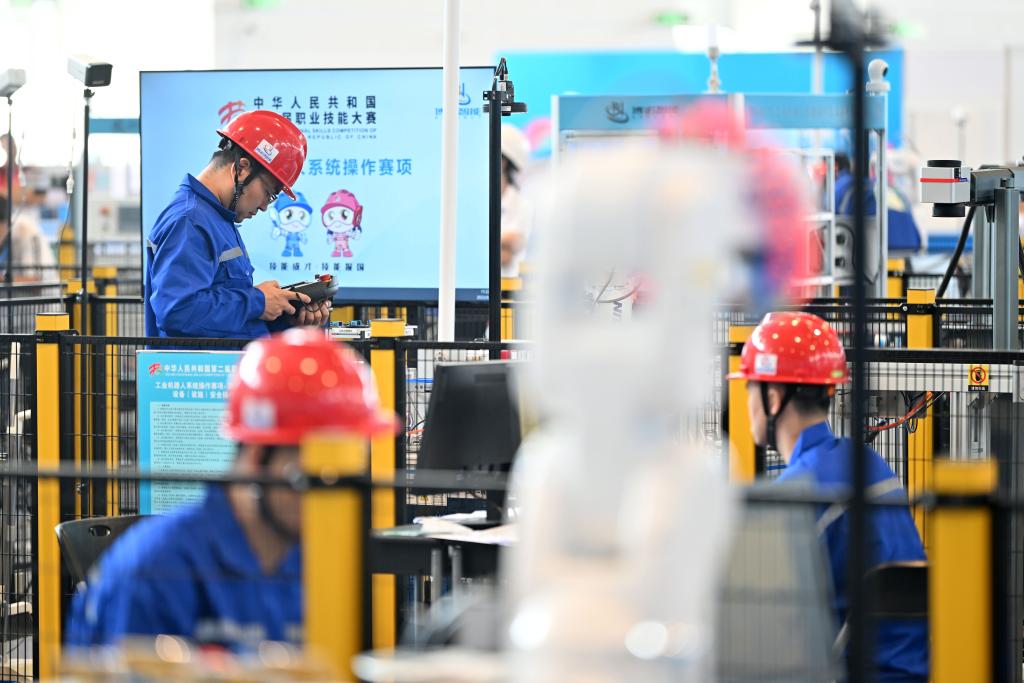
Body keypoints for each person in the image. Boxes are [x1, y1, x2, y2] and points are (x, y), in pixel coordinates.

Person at [65, 328, 397, 648]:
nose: (333, 501)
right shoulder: (155, 571)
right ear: (256, 457)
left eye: (348, 475)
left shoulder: (311, 561)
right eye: (314, 476)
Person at [729, 311, 928, 682]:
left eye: (749, 388)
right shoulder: (868, 462)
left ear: (772, 397)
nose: (747, 401)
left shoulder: (796, 495)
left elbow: (766, 629)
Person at [145, 110, 330, 338]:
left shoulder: (215, 219)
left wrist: (286, 315)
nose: (265, 206)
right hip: (198, 363)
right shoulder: (190, 221)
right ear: (241, 169)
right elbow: (178, 312)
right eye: (269, 193)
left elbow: (225, 321)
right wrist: (257, 302)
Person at [0, 194, 57, 283]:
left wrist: (3, 280)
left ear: (4, 224)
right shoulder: (6, 235)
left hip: (45, 290)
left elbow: (35, 281)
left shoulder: (25, 231)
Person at [499, 124, 532, 278]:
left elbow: (506, 257)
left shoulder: (523, 205)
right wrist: (503, 241)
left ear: (503, 161)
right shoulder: (474, 202)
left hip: (510, 288)